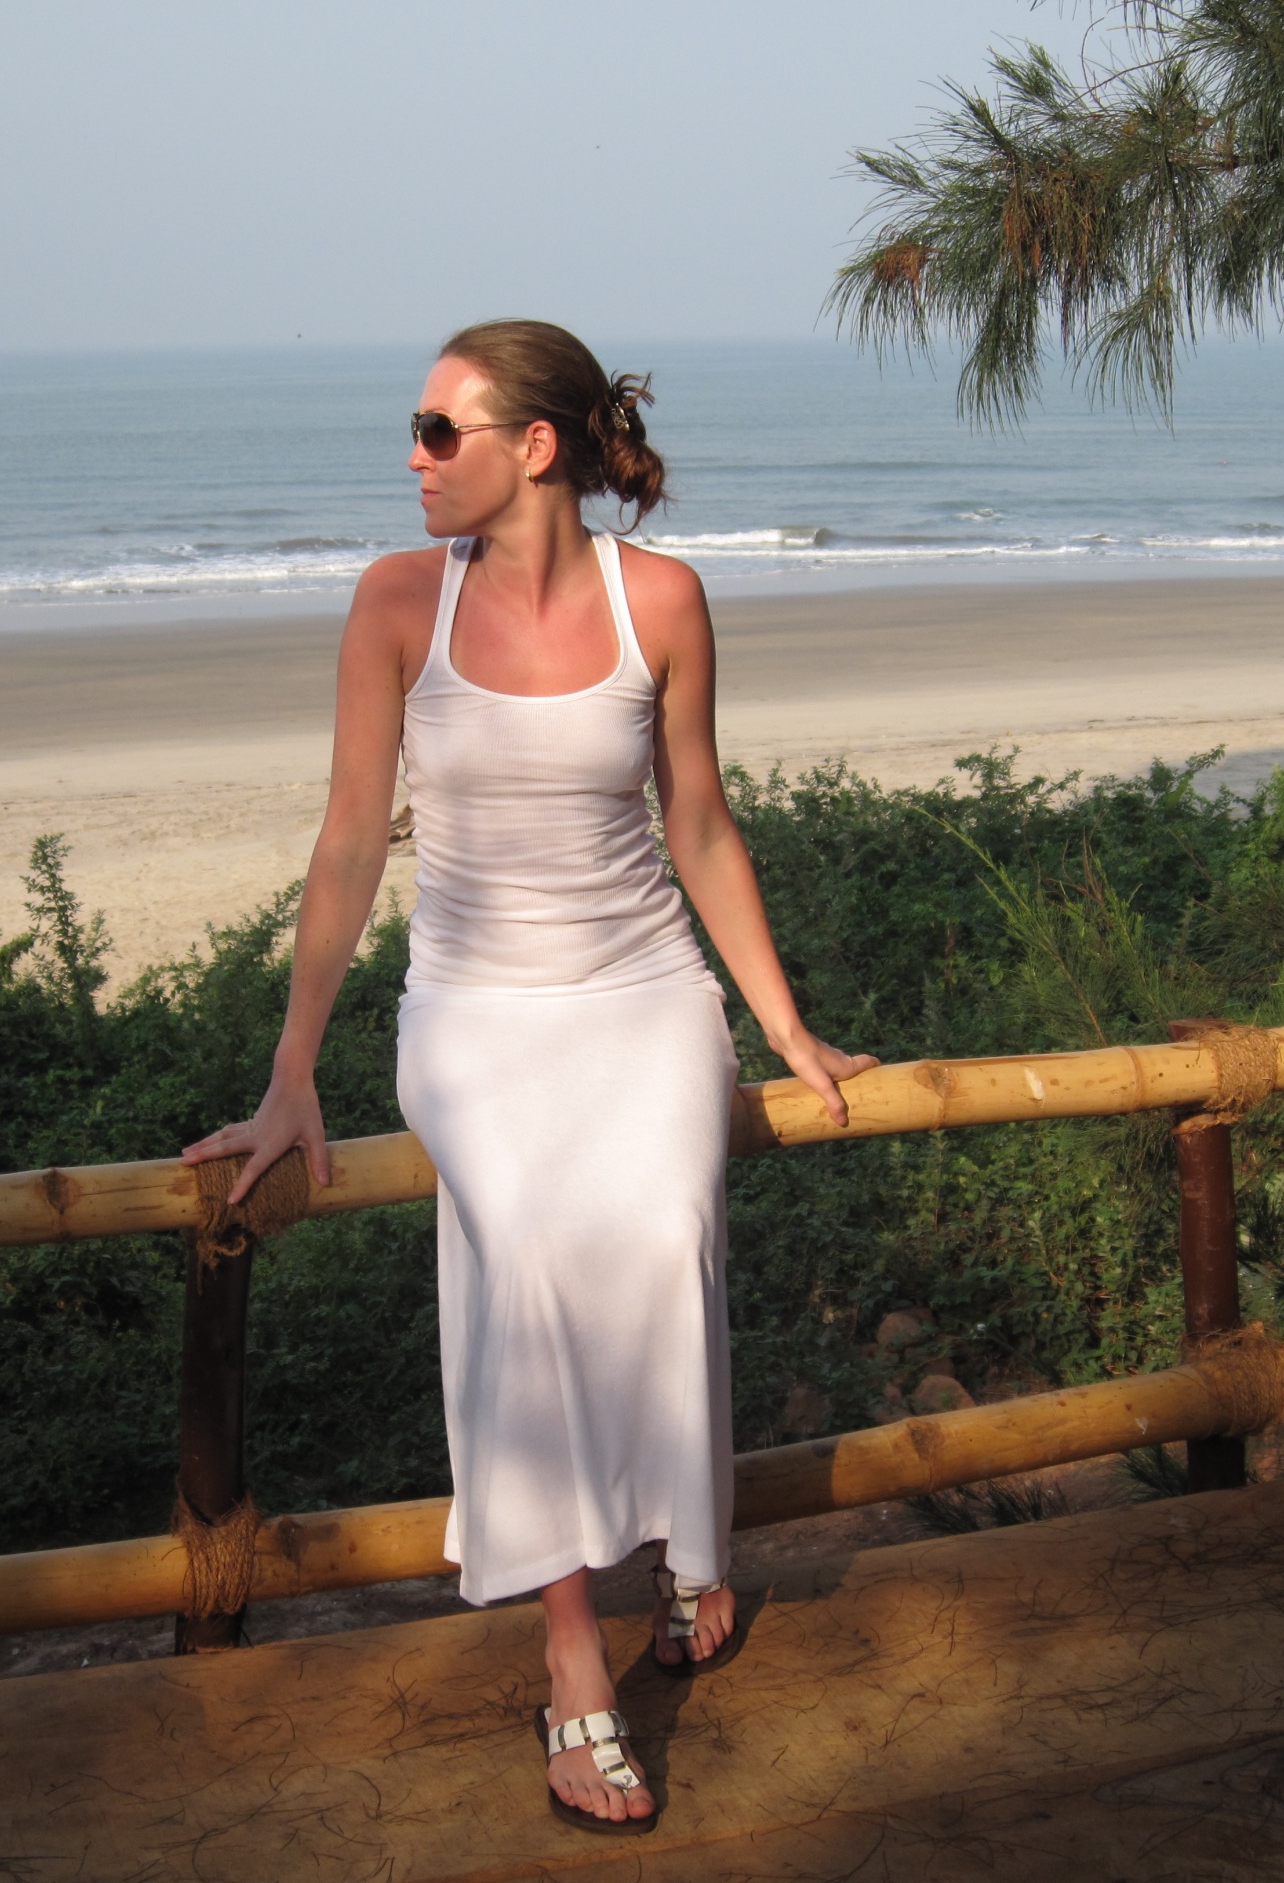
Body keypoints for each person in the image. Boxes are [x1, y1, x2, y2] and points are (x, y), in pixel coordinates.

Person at [184, 319, 873, 1835]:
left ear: (534, 446)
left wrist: (782, 1027)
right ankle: (572, 1651)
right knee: (535, 1252)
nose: (414, 457)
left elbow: (700, 823)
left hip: (643, 994)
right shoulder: (394, 604)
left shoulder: (663, 601)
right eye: (416, 430)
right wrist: (293, 1072)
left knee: (665, 1237)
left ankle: (687, 1546)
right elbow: (350, 840)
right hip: (474, 1015)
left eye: (441, 431)